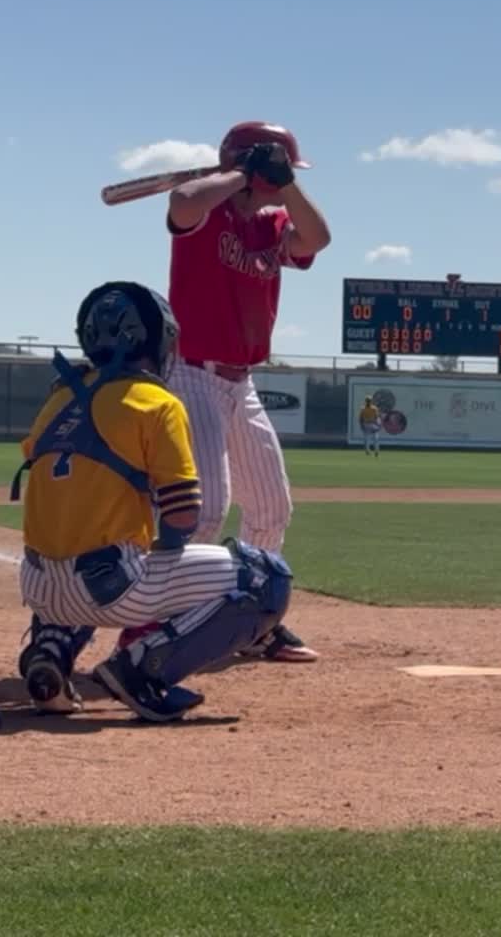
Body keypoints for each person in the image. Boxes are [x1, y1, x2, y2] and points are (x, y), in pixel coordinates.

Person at [11, 282, 295, 721]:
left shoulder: (58, 397)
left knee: (79, 533)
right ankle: (143, 668)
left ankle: (51, 646)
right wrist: (161, 548)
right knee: (265, 579)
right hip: (108, 586)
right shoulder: (157, 402)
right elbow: (183, 517)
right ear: (159, 340)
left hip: (39, 586)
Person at [161, 122, 331, 662]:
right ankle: (172, 620)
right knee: (207, 508)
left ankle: (252, 617)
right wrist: (236, 174)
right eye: (277, 170)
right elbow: (182, 203)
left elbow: (318, 238)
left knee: (271, 508)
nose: (282, 182)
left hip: (242, 379)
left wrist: (283, 185)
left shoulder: (273, 219)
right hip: (191, 371)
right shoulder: (206, 209)